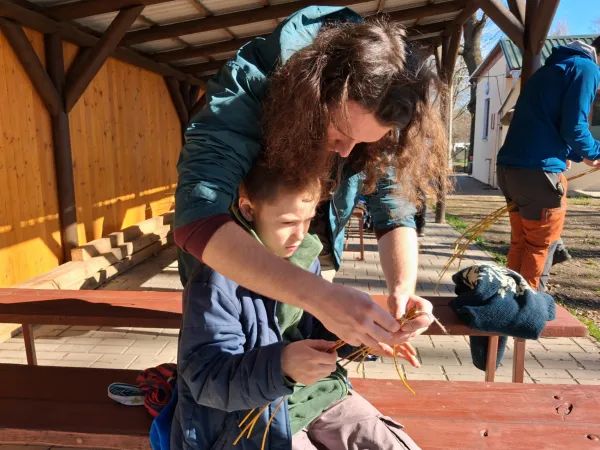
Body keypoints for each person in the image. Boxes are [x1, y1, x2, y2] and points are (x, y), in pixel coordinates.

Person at [174, 6, 448, 348]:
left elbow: (392, 210)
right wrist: (320, 297)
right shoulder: (247, 88)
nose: (346, 152)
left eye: (364, 141)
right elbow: (197, 216)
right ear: (311, 96)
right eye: (340, 131)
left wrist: (402, 290)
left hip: (311, 264)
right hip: (226, 270)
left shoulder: (384, 98)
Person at [172, 160, 422, 449]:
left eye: (308, 220)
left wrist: (360, 338)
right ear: (248, 209)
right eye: (288, 222)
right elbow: (206, 381)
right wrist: (282, 366)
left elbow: (316, 330)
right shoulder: (214, 282)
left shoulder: (303, 258)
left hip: (320, 393)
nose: (300, 234)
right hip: (250, 420)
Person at [496, 37, 600, 291]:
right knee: (540, 247)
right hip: (539, 172)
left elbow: (548, 124)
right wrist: (595, 151)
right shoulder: (587, 68)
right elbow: (575, 128)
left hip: (510, 168)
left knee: (521, 243)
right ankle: (528, 313)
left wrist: (578, 154)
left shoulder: (551, 68)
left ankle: (506, 307)